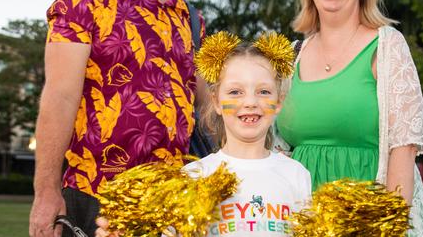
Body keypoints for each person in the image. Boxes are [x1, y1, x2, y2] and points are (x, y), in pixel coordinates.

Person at [29, 0, 205, 237]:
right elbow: (59, 97)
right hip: (96, 193)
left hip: (172, 200)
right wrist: (45, 190)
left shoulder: (189, 16)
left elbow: (204, 102)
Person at [275, 0, 423, 236]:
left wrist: (387, 225)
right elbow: (279, 148)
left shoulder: (386, 46)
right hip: (302, 221)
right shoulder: (292, 55)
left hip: (369, 219)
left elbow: (403, 147)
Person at [95, 32, 311, 237]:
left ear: (279, 102)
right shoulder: (194, 175)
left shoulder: (296, 174)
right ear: (216, 101)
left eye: (264, 92)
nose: (250, 103)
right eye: (235, 92)